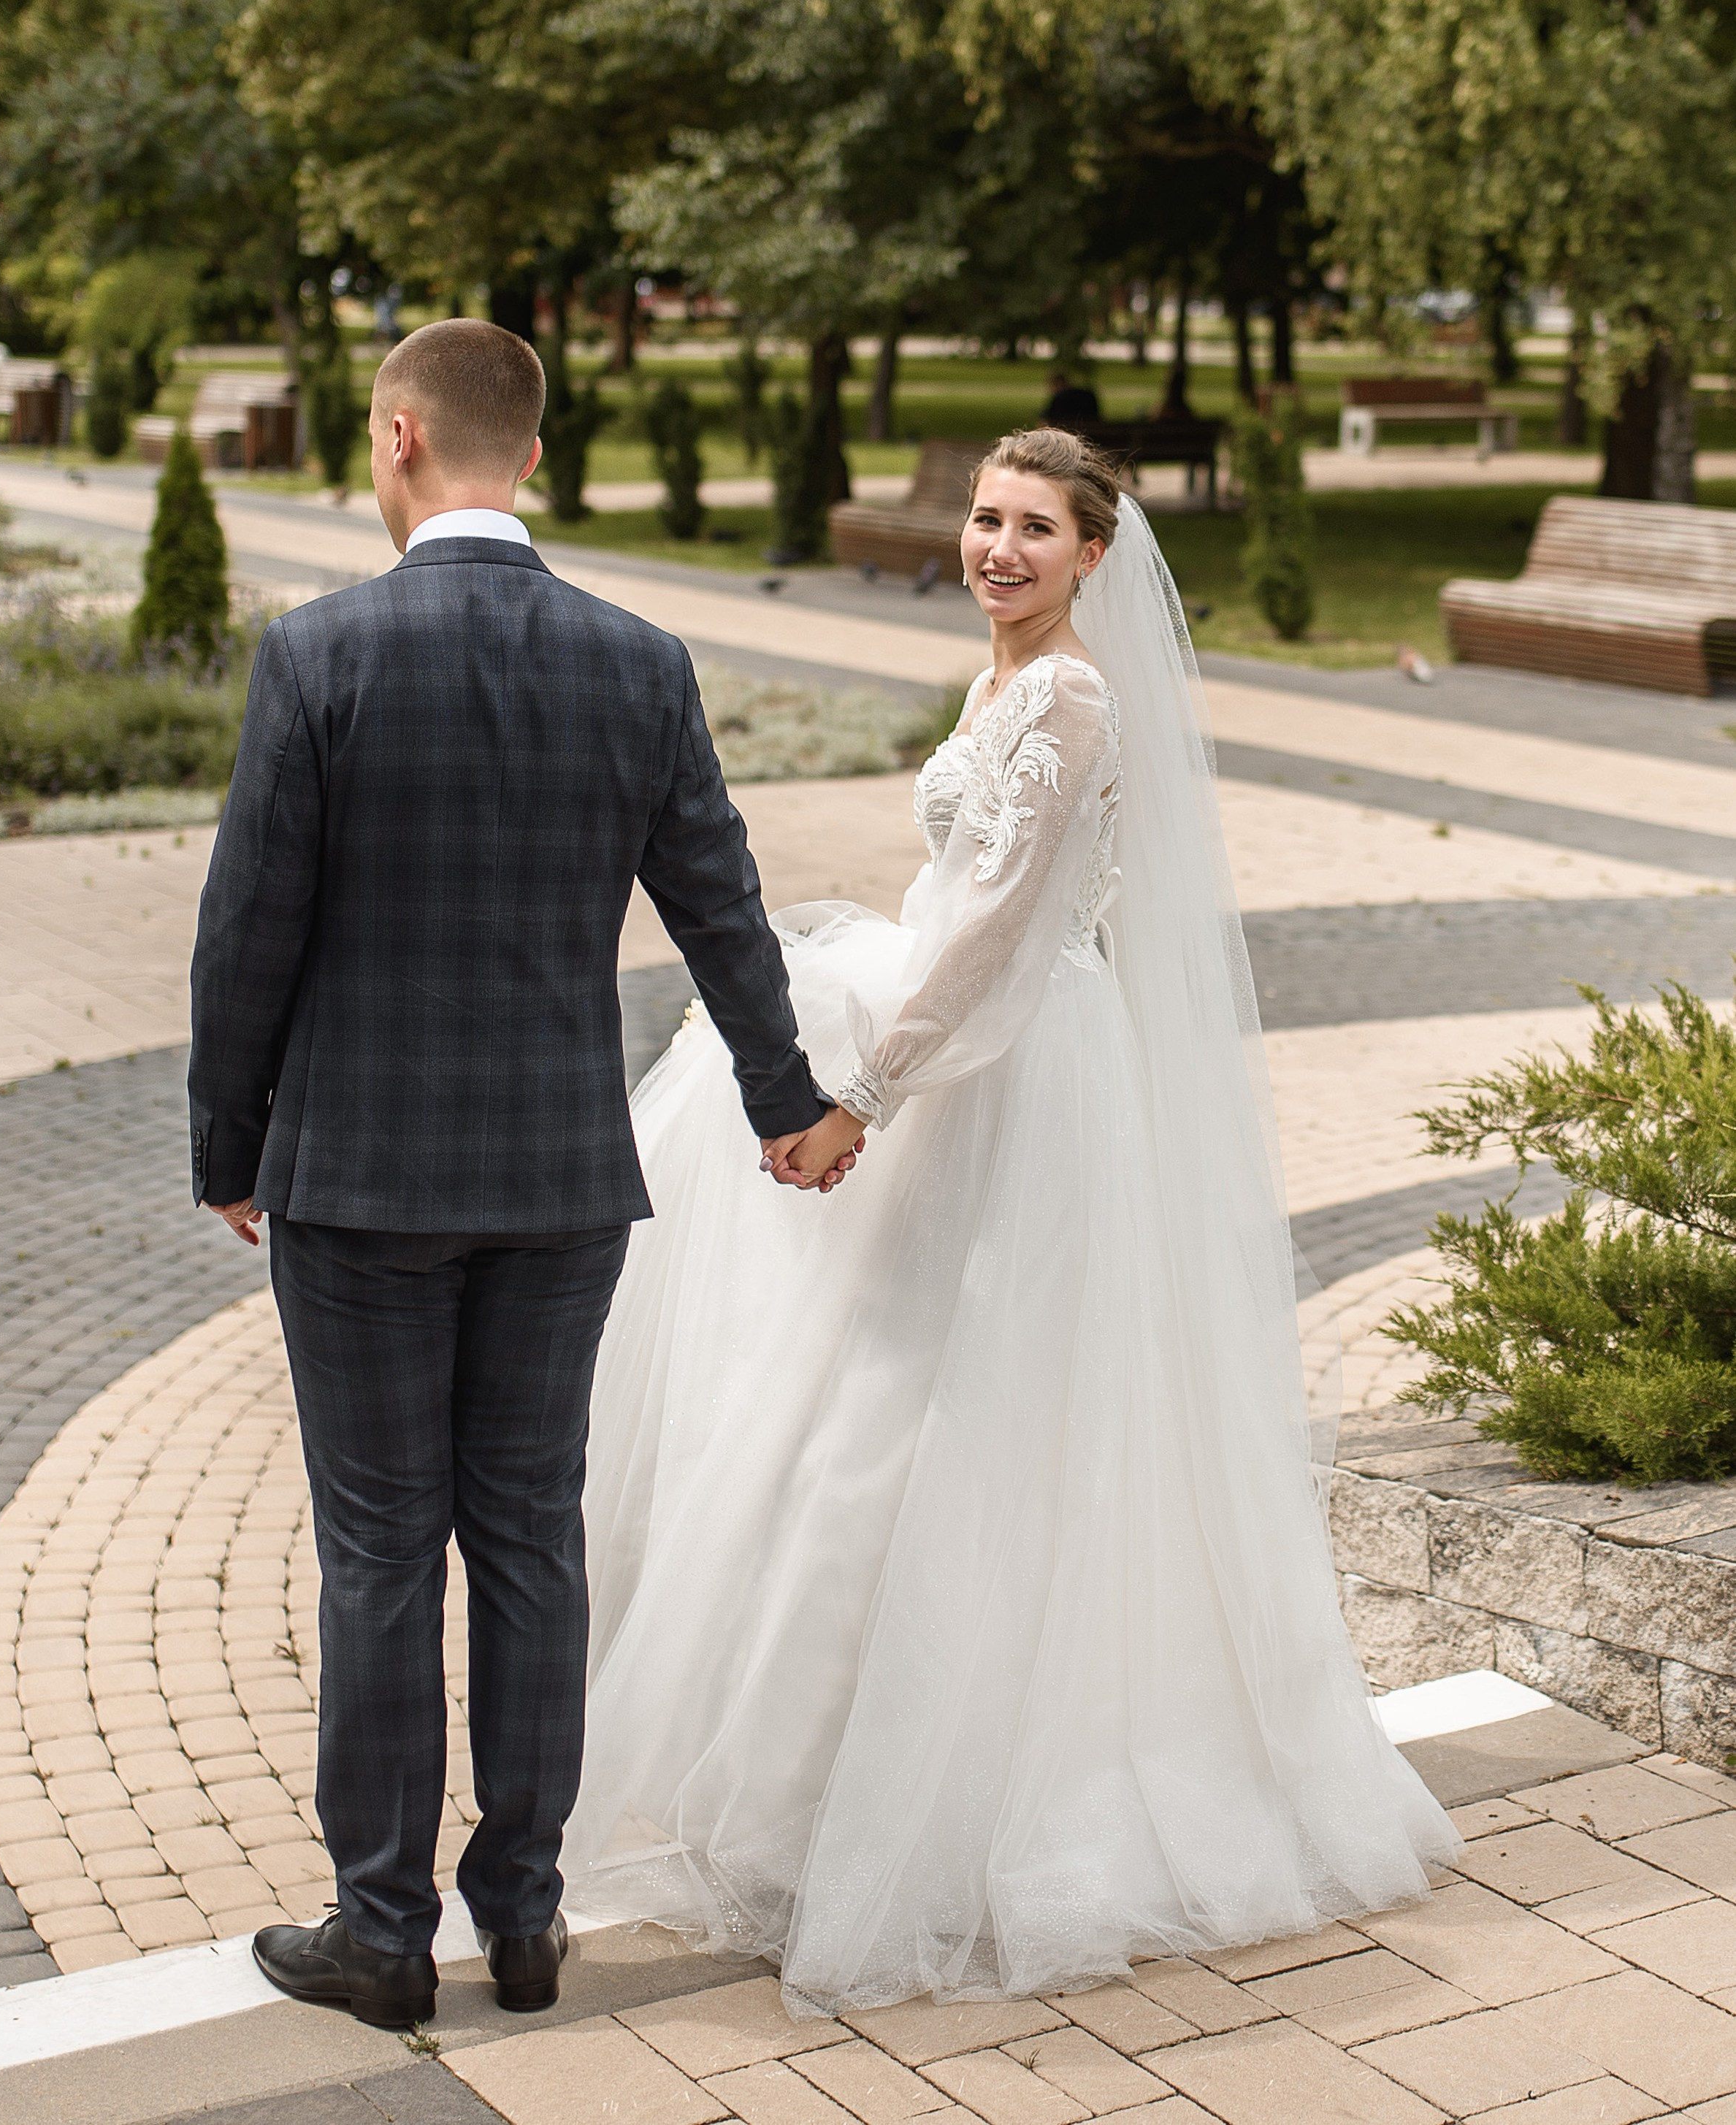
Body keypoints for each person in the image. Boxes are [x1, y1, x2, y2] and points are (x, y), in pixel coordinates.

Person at [562, 426, 1461, 2011]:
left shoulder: (1065, 699)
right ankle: (827, 1790)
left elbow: (989, 934)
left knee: (956, 1421)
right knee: (882, 1424)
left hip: (1017, 1079)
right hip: (971, 1047)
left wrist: (866, 1091)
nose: (996, 548)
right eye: (983, 519)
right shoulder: (1003, 682)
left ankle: (959, 1809)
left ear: (1091, 558)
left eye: (1033, 529)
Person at [186, 320, 846, 2032]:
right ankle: (528, 1912)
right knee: (533, 1538)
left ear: (401, 437)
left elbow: (247, 929)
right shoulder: (639, 662)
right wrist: (789, 1098)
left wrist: (227, 1142)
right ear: (527, 458)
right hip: (562, 1178)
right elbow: (723, 901)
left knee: (382, 1551)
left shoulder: (320, 654)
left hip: (357, 1181)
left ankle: (383, 1930)